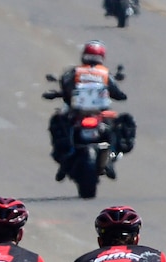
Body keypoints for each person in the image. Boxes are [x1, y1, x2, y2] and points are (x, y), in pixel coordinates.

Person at [49, 43, 132, 176]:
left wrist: (58, 93)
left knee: (57, 122)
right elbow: (117, 92)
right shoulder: (104, 73)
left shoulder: (75, 72)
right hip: (93, 113)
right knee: (119, 125)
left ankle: (64, 159)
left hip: (83, 113)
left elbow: (65, 86)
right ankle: (111, 158)